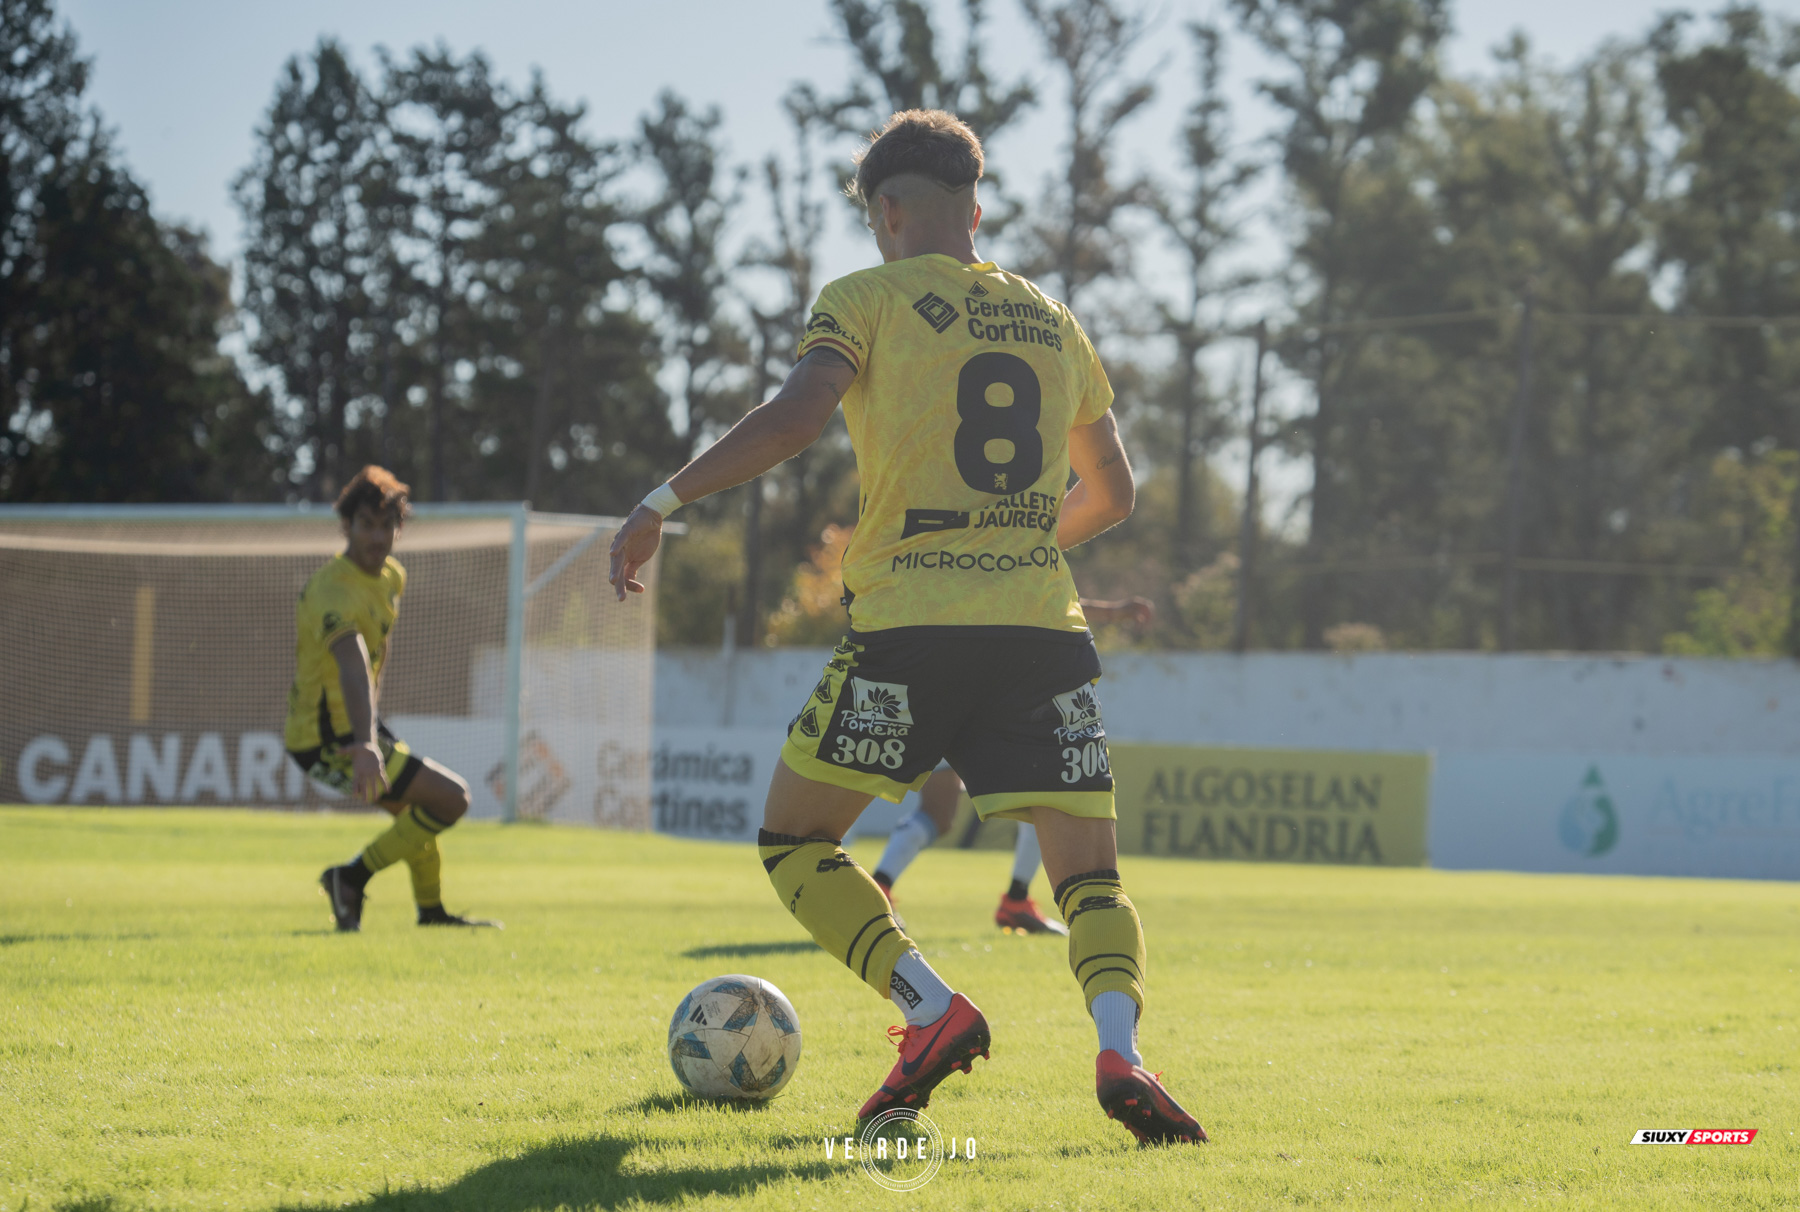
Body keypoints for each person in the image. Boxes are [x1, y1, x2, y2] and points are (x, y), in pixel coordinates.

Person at [610, 110, 1202, 1144]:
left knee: (795, 840)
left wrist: (661, 502)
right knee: (1091, 877)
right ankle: (1121, 1051)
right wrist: (1012, 544)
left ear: (886, 212)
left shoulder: (865, 299)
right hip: (1040, 633)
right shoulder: (1056, 321)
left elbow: (796, 421)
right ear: (976, 209)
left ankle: (932, 1010)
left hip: (913, 631)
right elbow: (1114, 493)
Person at [286, 466, 498, 933]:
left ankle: (431, 911)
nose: (377, 536)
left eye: (387, 525)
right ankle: (350, 877)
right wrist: (364, 743)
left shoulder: (391, 578)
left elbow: (375, 655)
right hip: (327, 738)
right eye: (367, 524)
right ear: (347, 526)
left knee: (418, 814)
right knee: (452, 800)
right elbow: (351, 661)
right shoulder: (332, 590)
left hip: (357, 728)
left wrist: (371, 727)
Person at [872, 598, 1155, 936]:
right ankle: (1015, 902)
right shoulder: (1001, 559)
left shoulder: (947, 564)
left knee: (938, 814)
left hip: (937, 686)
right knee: (1043, 796)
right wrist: (1114, 613)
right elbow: (1049, 597)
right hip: (985, 698)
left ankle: (880, 890)